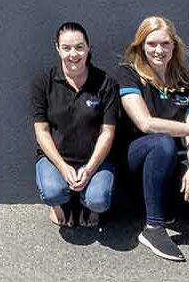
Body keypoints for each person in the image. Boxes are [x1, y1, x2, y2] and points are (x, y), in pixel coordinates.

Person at [116, 17, 189, 261]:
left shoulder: (188, 81)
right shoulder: (128, 74)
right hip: (135, 155)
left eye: (165, 43)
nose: (159, 50)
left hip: (173, 156)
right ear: (141, 46)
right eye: (151, 44)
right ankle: (153, 227)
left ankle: (167, 201)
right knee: (162, 142)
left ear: (174, 46)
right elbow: (146, 124)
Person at [32, 22, 118, 228]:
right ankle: (59, 205)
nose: (73, 54)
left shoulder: (106, 83)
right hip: (55, 159)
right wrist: (62, 167)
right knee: (53, 193)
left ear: (89, 48)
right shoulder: (44, 83)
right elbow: (42, 131)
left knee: (98, 200)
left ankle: (87, 205)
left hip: (95, 161)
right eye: (67, 48)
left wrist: (89, 169)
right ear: (57, 48)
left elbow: (108, 132)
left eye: (79, 47)